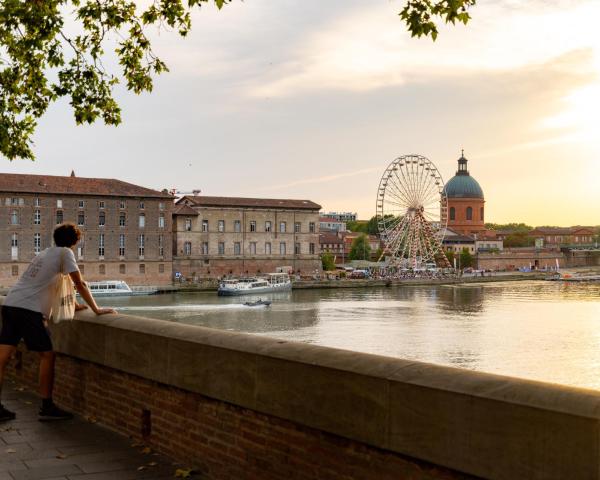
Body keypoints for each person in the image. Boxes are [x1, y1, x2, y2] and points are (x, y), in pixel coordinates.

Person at [0, 223, 116, 422]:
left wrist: (73, 304)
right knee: (47, 355)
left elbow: (51, 284)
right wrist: (96, 309)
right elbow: (78, 283)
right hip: (29, 310)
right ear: (75, 242)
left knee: (2, 358)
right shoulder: (66, 253)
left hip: (11, 303)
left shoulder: (44, 253)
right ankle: (46, 406)